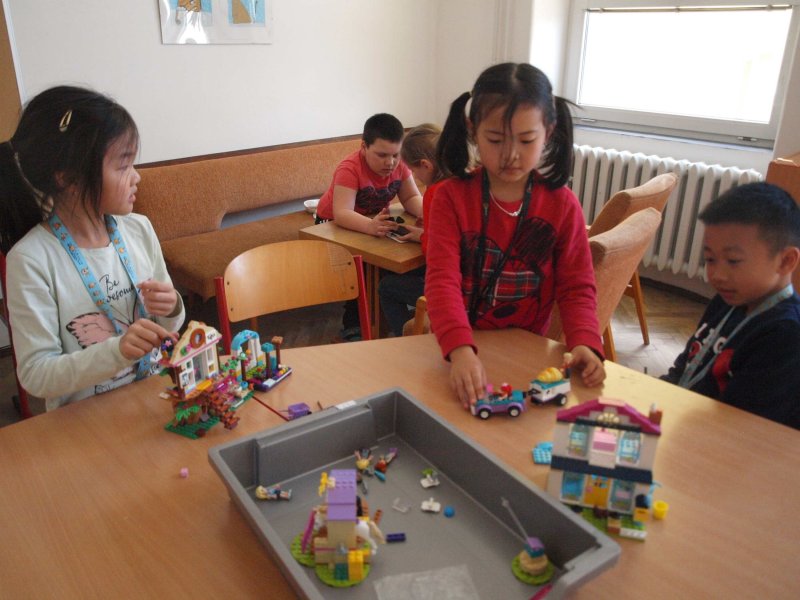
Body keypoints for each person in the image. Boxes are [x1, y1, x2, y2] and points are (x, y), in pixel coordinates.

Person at [424, 62, 606, 408]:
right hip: (456, 349)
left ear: (548, 131)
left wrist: (584, 341)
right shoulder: (450, 197)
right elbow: (442, 281)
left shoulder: (562, 204)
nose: (510, 155)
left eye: (526, 140)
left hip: (526, 350)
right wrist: (459, 350)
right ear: (473, 130)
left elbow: (577, 286)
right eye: (495, 139)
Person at [0, 85, 185, 411]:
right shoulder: (30, 260)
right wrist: (116, 351)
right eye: (123, 166)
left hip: (154, 401)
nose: (137, 177)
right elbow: (36, 374)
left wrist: (172, 307)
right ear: (68, 178)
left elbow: (168, 327)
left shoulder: (139, 229)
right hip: (85, 421)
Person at [661, 182, 800, 429]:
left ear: (786, 261)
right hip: (687, 420)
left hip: (728, 439)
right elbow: (684, 367)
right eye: (710, 259)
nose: (717, 275)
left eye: (733, 261)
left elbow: (743, 426)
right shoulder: (727, 300)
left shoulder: (786, 333)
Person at [316, 113, 423, 341]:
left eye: (395, 155)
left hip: (370, 220)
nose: (390, 162)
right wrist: (370, 226)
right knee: (361, 264)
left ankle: (384, 318)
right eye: (382, 155)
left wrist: (431, 214)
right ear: (364, 147)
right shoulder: (350, 168)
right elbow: (342, 212)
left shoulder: (400, 166)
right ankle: (353, 324)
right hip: (331, 223)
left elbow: (411, 197)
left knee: (393, 256)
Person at [378, 123, 444, 336]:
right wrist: (424, 234)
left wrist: (425, 239)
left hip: (449, 288)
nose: (415, 177)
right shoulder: (465, 183)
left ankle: (407, 341)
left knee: (387, 287)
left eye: (414, 171)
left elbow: (435, 251)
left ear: (426, 165)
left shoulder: (435, 193)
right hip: (473, 283)